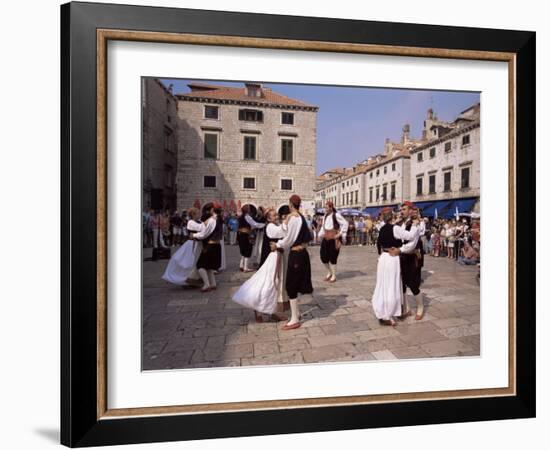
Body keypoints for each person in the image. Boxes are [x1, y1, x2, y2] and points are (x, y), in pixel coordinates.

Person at [232, 207, 289, 323]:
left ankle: (271, 311)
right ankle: (258, 308)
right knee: (269, 282)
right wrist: (288, 221)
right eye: (274, 216)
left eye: (276, 215)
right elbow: (281, 231)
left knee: (274, 283)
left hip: (277, 257)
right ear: (268, 218)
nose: (276, 217)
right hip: (272, 258)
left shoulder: (273, 225)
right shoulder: (270, 226)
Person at [270, 195, 313, 330]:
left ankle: (294, 319)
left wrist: (277, 245)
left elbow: (289, 239)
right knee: (294, 284)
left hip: (297, 254)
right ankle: (297, 314)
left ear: (290, 204)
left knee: (291, 285)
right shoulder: (298, 217)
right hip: (300, 254)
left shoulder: (294, 218)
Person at [372, 208, 419, 326]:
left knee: (383, 285)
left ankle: (383, 312)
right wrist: (415, 225)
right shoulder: (395, 228)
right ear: (393, 216)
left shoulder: (382, 228)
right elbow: (410, 235)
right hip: (392, 258)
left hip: (383, 257)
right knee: (391, 286)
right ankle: (388, 314)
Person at [394, 201, 424, 320]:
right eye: (401, 209)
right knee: (402, 284)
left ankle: (420, 307)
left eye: (404, 209)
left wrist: (400, 249)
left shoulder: (415, 224)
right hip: (402, 257)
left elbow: (412, 244)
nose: (401, 211)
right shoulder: (402, 224)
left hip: (411, 257)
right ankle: (407, 309)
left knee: (413, 284)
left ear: (411, 210)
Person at [162, 207, 204, 285]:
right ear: (193, 214)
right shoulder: (191, 222)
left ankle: (195, 279)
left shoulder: (198, 221)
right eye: (198, 213)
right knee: (188, 262)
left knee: (196, 262)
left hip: (198, 243)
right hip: (192, 243)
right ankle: (188, 279)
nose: (199, 215)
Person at [191, 202, 223, 292]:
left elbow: (204, 234)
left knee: (200, 265)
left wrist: (194, 235)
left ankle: (206, 284)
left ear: (213, 210)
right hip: (217, 245)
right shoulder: (220, 219)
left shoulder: (212, 220)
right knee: (209, 266)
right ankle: (213, 284)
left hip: (210, 246)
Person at [318, 201, 348, 283]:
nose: (326, 209)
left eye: (327, 207)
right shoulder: (325, 216)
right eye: (325, 207)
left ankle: (333, 276)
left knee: (333, 257)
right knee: (323, 257)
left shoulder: (336, 215)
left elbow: (345, 223)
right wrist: (319, 235)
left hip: (334, 239)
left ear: (331, 207)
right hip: (326, 238)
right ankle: (329, 272)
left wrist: (340, 234)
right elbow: (323, 227)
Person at [237, 205, 266, 272]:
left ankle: (241, 265)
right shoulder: (247, 217)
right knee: (247, 249)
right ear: (247, 210)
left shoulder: (241, 216)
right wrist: (264, 225)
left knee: (243, 250)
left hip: (241, 234)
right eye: (249, 209)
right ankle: (245, 267)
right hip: (245, 235)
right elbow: (254, 224)